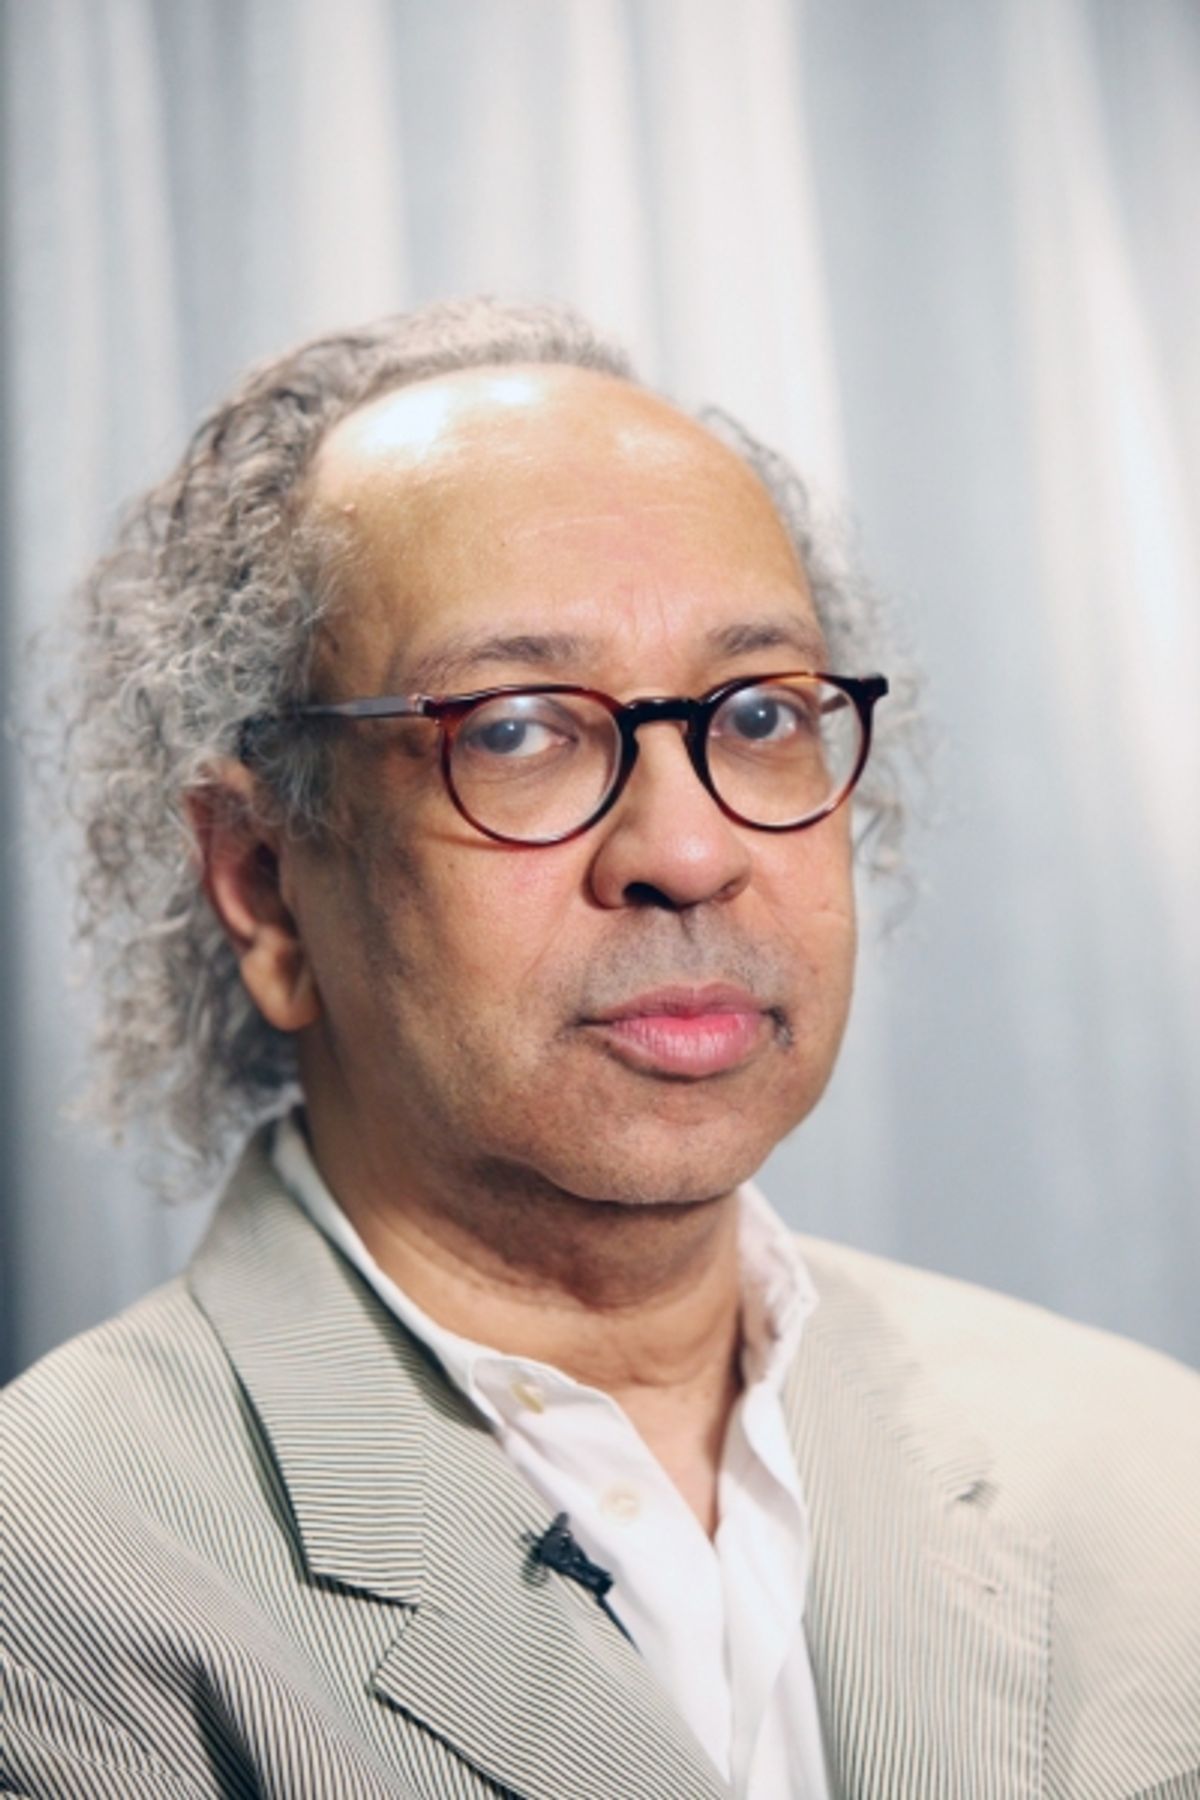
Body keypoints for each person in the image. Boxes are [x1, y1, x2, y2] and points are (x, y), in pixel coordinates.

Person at [2, 299, 1196, 1800]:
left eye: (761, 710)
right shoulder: (46, 1581)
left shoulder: (1149, 1463)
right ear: (263, 882)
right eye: (514, 729)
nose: (689, 849)